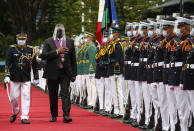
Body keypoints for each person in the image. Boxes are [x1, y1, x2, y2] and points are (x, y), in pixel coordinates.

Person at [41, 24, 77, 123]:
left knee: (65, 93)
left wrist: (74, 73)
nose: (60, 32)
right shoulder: (48, 41)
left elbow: (73, 58)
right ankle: (54, 115)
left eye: (61, 30)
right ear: (55, 31)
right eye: (58, 30)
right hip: (52, 71)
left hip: (65, 72)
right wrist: (57, 51)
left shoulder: (70, 41)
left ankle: (66, 115)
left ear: (64, 31)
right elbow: (43, 55)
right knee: (53, 94)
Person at [4, 31, 39, 124]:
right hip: (14, 76)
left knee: (26, 96)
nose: (22, 41)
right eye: (20, 39)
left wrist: (36, 77)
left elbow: (35, 64)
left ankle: (24, 117)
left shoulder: (31, 49)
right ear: (17, 39)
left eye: (23, 39)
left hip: (26, 76)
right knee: (13, 97)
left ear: (26, 39)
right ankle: (15, 111)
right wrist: (6, 75)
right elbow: (7, 63)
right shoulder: (12, 49)